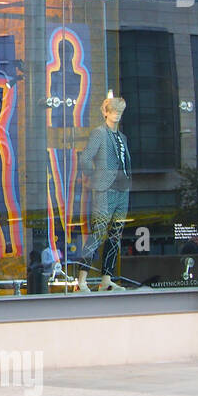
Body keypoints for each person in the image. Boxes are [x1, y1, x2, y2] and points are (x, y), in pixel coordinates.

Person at [77, 93, 133, 292]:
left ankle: (106, 279)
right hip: (105, 188)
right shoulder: (99, 133)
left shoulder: (122, 137)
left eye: (119, 111)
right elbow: (85, 158)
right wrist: (94, 176)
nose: (116, 115)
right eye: (113, 111)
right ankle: (82, 279)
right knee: (98, 233)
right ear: (105, 113)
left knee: (115, 236)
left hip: (122, 190)